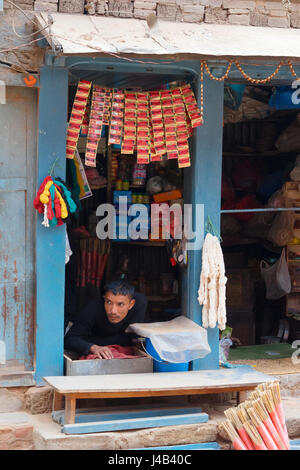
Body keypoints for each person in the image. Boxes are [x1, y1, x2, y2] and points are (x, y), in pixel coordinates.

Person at [64, 279, 147, 359]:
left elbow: (134, 337)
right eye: (109, 302)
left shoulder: (139, 305)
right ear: (104, 299)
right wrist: (93, 347)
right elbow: (69, 339)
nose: (113, 311)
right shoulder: (94, 308)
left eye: (120, 304)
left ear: (131, 304)